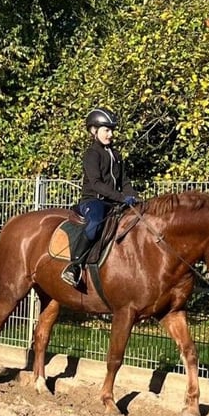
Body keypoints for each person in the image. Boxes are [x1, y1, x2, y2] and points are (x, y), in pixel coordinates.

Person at [61, 107, 140, 286]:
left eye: (112, 130)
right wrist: (121, 197)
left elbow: (124, 181)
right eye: (106, 130)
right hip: (93, 201)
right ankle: (74, 266)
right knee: (96, 222)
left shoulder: (116, 155)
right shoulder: (92, 154)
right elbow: (96, 183)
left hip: (113, 202)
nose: (110, 134)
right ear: (93, 131)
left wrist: (134, 198)